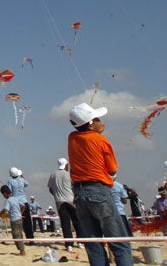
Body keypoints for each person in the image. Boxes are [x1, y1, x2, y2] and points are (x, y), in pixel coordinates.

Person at [66, 102, 132, 266]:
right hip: (98, 191)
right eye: (97, 119)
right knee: (119, 242)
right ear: (90, 123)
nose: (100, 121)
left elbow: (80, 130)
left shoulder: (72, 137)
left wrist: (92, 126)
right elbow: (112, 169)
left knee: (93, 244)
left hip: (79, 194)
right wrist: (97, 133)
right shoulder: (101, 140)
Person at [48, 157, 80, 251]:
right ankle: (80, 241)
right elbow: (75, 187)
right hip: (71, 200)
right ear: (66, 165)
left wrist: (56, 194)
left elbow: (50, 189)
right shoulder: (69, 175)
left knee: (65, 223)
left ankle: (69, 244)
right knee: (77, 221)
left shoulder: (53, 175)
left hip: (60, 202)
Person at [7, 167, 35, 240]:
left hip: (16, 203)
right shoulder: (22, 180)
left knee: (17, 221)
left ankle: (19, 238)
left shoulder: (10, 181)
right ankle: (30, 239)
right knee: (27, 222)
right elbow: (27, 183)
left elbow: (9, 192)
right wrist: (22, 176)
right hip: (24, 202)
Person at [0, 185, 26, 256]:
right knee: (20, 235)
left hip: (14, 220)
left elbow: (5, 210)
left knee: (16, 236)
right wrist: (20, 213)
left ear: (4, 193)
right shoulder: (15, 199)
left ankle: (22, 252)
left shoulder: (8, 200)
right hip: (19, 219)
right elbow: (23, 206)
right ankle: (22, 250)